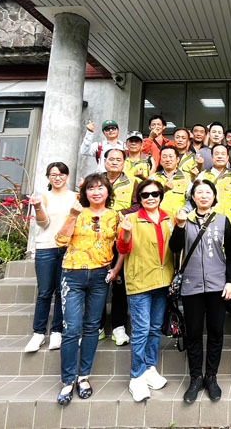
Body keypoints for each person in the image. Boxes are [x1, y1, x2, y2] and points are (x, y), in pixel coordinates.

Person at [54, 173, 122, 405]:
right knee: (72, 328)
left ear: (108, 191)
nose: (96, 192)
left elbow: (123, 245)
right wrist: (72, 216)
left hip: (100, 276)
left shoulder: (115, 215)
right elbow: (60, 241)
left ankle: (83, 376)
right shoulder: (77, 212)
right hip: (73, 274)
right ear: (85, 193)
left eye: (100, 188)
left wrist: (116, 269)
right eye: (91, 188)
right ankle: (67, 380)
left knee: (92, 327)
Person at [170, 180, 231, 403]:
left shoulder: (222, 220)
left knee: (216, 331)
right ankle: (195, 378)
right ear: (193, 197)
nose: (204, 195)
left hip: (218, 285)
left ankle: (211, 377)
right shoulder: (184, 220)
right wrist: (180, 226)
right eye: (199, 192)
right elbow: (174, 248)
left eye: (208, 192)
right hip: (192, 286)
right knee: (193, 332)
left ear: (214, 196)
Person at [117, 179, 175, 402]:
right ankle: (136, 375)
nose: (150, 198)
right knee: (141, 330)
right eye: (145, 195)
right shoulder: (130, 219)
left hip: (163, 280)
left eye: (155, 194)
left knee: (154, 328)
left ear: (161, 196)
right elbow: (123, 248)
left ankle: (150, 367)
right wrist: (126, 233)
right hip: (140, 281)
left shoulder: (169, 217)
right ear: (139, 198)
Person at [25, 162, 78, 353]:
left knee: (61, 291)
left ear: (67, 176)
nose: (58, 178)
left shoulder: (75, 197)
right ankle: (38, 333)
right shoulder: (42, 197)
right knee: (44, 291)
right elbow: (43, 223)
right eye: (53, 174)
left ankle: (57, 331)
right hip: (46, 247)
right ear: (48, 177)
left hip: (68, 248)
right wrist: (38, 207)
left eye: (61, 174)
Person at [101, 148, 139, 346]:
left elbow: (137, 205)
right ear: (105, 161)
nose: (115, 162)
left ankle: (119, 326)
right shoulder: (95, 182)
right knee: (97, 284)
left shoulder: (133, 182)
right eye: (111, 159)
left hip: (120, 238)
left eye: (119, 159)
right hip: (97, 239)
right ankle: (97, 326)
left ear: (124, 163)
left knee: (119, 284)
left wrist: (117, 214)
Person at [198, 144, 231, 225]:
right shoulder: (203, 175)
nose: (220, 156)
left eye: (223, 154)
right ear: (212, 157)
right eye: (216, 154)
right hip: (210, 220)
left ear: (227, 157)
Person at [151, 146, 190, 216]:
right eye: (164, 157)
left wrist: (184, 210)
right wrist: (163, 190)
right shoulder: (153, 178)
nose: (168, 159)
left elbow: (191, 200)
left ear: (177, 159)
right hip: (158, 218)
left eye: (171, 156)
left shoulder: (187, 178)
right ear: (160, 161)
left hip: (179, 218)